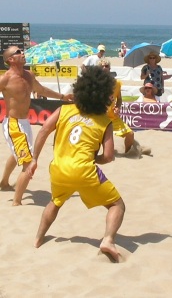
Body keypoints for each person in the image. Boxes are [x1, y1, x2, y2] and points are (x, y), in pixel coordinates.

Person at [26, 66, 125, 262]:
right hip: (84, 170)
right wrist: (92, 159)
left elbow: (44, 130)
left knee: (55, 202)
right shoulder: (105, 121)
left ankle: (38, 239)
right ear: (104, 95)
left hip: (59, 168)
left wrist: (35, 158)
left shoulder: (64, 110)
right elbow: (109, 156)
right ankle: (108, 240)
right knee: (117, 205)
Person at [0, 46, 72, 205]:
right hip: (13, 124)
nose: (23, 53)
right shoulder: (5, 79)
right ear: (10, 59)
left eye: (22, 50)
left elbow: (42, 90)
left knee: (18, 152)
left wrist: (61, 96)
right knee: (28, 161)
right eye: (18, 52)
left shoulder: (29, 75)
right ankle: (16, 202)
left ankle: (4, 183)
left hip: (25, 123)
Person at [99, 59, 134, 153]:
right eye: (102, 66)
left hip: (112, 116)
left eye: (106, 66)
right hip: (98, 116)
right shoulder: (95, 84)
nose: (104, 68)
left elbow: (119, 99)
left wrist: (118, 107)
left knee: (130, 134)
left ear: (109, 68)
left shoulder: (117, 83)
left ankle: (127, 153)